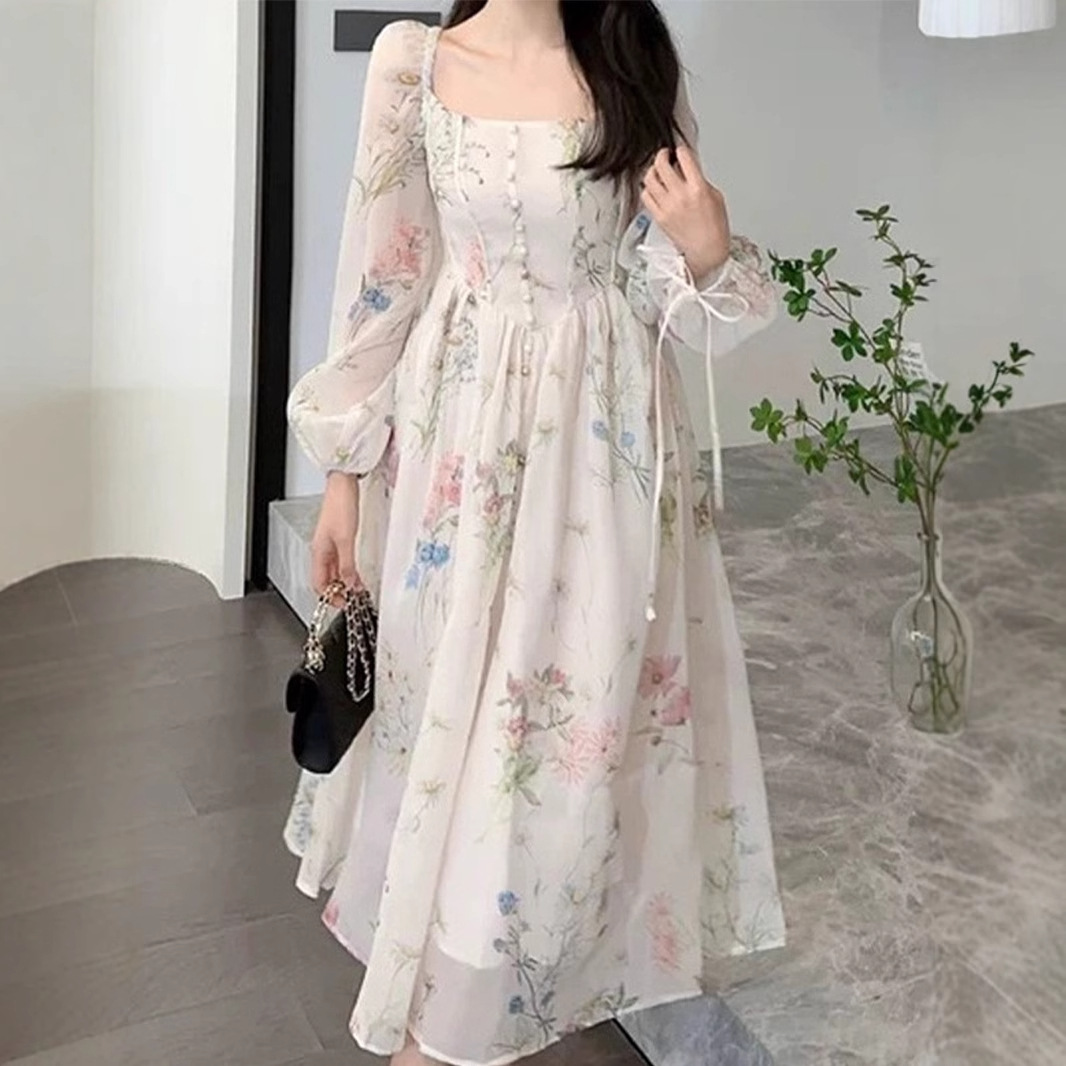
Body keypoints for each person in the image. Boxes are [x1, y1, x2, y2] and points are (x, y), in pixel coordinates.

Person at [283, 2, 786, 1064]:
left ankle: (469, 1017)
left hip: (602, 469)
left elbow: (661, 290)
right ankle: (442, 1021)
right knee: (457, 746)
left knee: (562, 755)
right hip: (456, 469)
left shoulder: (632, 59)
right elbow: (384, 281)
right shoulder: (414, 65)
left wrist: (707, 251)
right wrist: (341, 479)